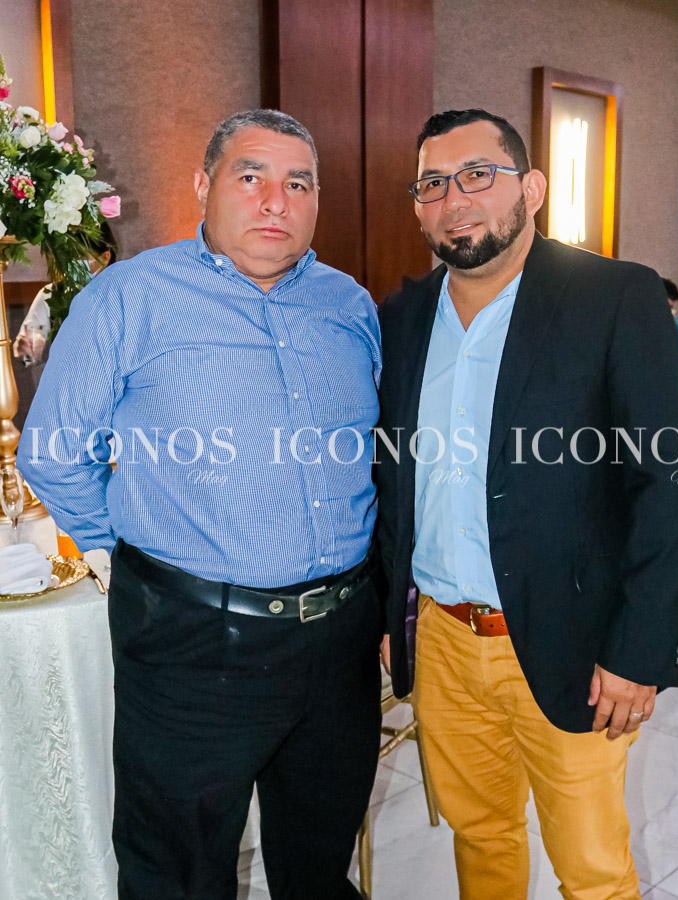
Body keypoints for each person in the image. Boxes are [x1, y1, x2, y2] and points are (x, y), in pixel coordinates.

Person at [18, 110, 383, 900]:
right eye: (251, 176)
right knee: (178, 876)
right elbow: (54, 453)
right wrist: (132, 552)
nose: (276, 201)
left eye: (298, 183)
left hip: (340, 643)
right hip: (193, 645)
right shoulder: (129, 298)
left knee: (319, 866)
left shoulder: (349, 305)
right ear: (202, 185)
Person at [375, 108, 678, 900]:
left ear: (531, 188)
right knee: (480, 837)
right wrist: (391, 617)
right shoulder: (401, 318)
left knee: (591, 871)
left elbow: (667, 485)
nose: (454, 200)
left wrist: (638, 651)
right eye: (431, 184)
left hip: (574, 640)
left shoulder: (612, 297)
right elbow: (391, 482)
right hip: (444, 640)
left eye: (476, 175)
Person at [12, 222, 117, 361]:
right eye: (68, 255)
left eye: (80, 255)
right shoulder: (51, 294)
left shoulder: (122, 295)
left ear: (105, 258)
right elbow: (26, 357)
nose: (72, 261)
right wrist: (27, 350)